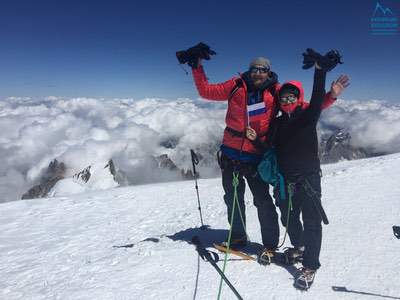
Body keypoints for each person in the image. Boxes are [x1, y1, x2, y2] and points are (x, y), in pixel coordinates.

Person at [191, 52, 338, 252]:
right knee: (232, 198)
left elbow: (305, 108)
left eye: (262, 70)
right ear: (249, 70)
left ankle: (270, 244)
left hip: (257, 154)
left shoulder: (275, 91)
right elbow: (206, 91)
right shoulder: (235, 85)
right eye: (254, 69)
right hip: (230, 153)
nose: (258, 73)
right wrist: (196, 66)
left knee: (262, 200)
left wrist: (331, 96)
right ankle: (237, 236)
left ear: (268, 72)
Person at [246, 49, 350, 290]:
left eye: (292, 97)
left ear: (298, 98)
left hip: (309, 180)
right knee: (289, 218)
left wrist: (319, 70)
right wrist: (254, 140)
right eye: (284, 98)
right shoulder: (278, 123)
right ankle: (300, 247)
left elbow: (316, 98)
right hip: (285, 181)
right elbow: (269, 148)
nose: (287, 101)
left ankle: (310, 265)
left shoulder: (308, 116)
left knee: (312, 222)